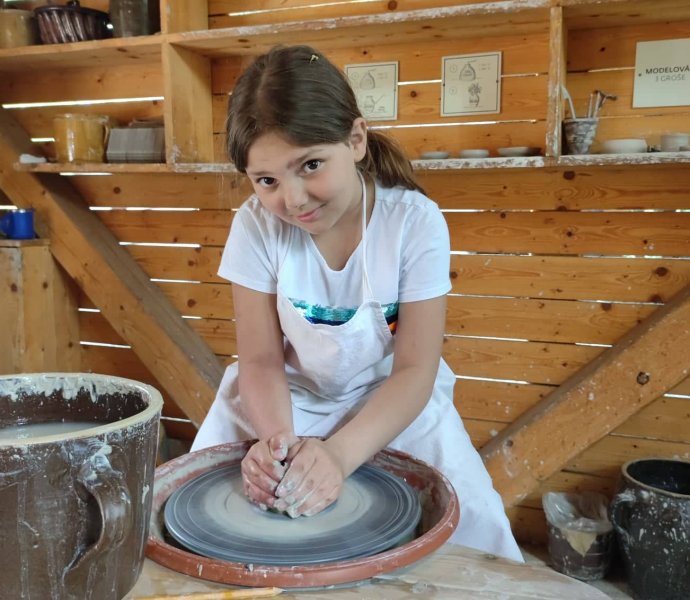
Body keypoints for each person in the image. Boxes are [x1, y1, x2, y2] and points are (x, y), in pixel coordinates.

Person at [191, 44, 522, 562]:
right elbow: (259, 359)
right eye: (267, 181)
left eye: (311, 165)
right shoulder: (255, 226)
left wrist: (339, 456)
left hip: (390, 398)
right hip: (286, 396)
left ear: (356, 140)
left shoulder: (413, 222)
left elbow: (415, 369)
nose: (293, 199)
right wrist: (278, 450)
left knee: (476, 528)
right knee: (195, 519)